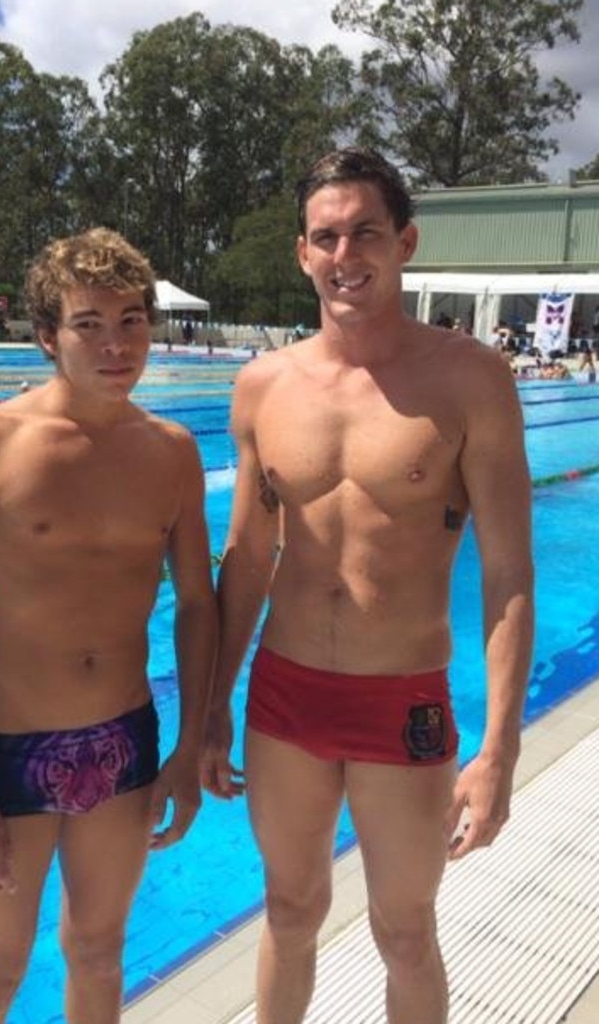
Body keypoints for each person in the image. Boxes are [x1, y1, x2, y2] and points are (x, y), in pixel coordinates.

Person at [201, 148, 533, 1024]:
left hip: (404, 700)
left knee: (405, 929)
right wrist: (210, 703)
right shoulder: (262, 386)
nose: (345, 254)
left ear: (406, 241)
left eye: (365, 232)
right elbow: (245, 559)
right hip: (284, 696)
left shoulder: (472, 381)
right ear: (301, 254)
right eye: (326, 236)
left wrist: (500, 746)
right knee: (291, 909)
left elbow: (507, 573)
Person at [0, 227, 218, 1024]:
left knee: (100, 954)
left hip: (125, 746)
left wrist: (191, 742)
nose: (116, 345)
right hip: (8, 758)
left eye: (132, 321)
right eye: (89, 324)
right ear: (47, 336)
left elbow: (198, 606)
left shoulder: (172, 452)